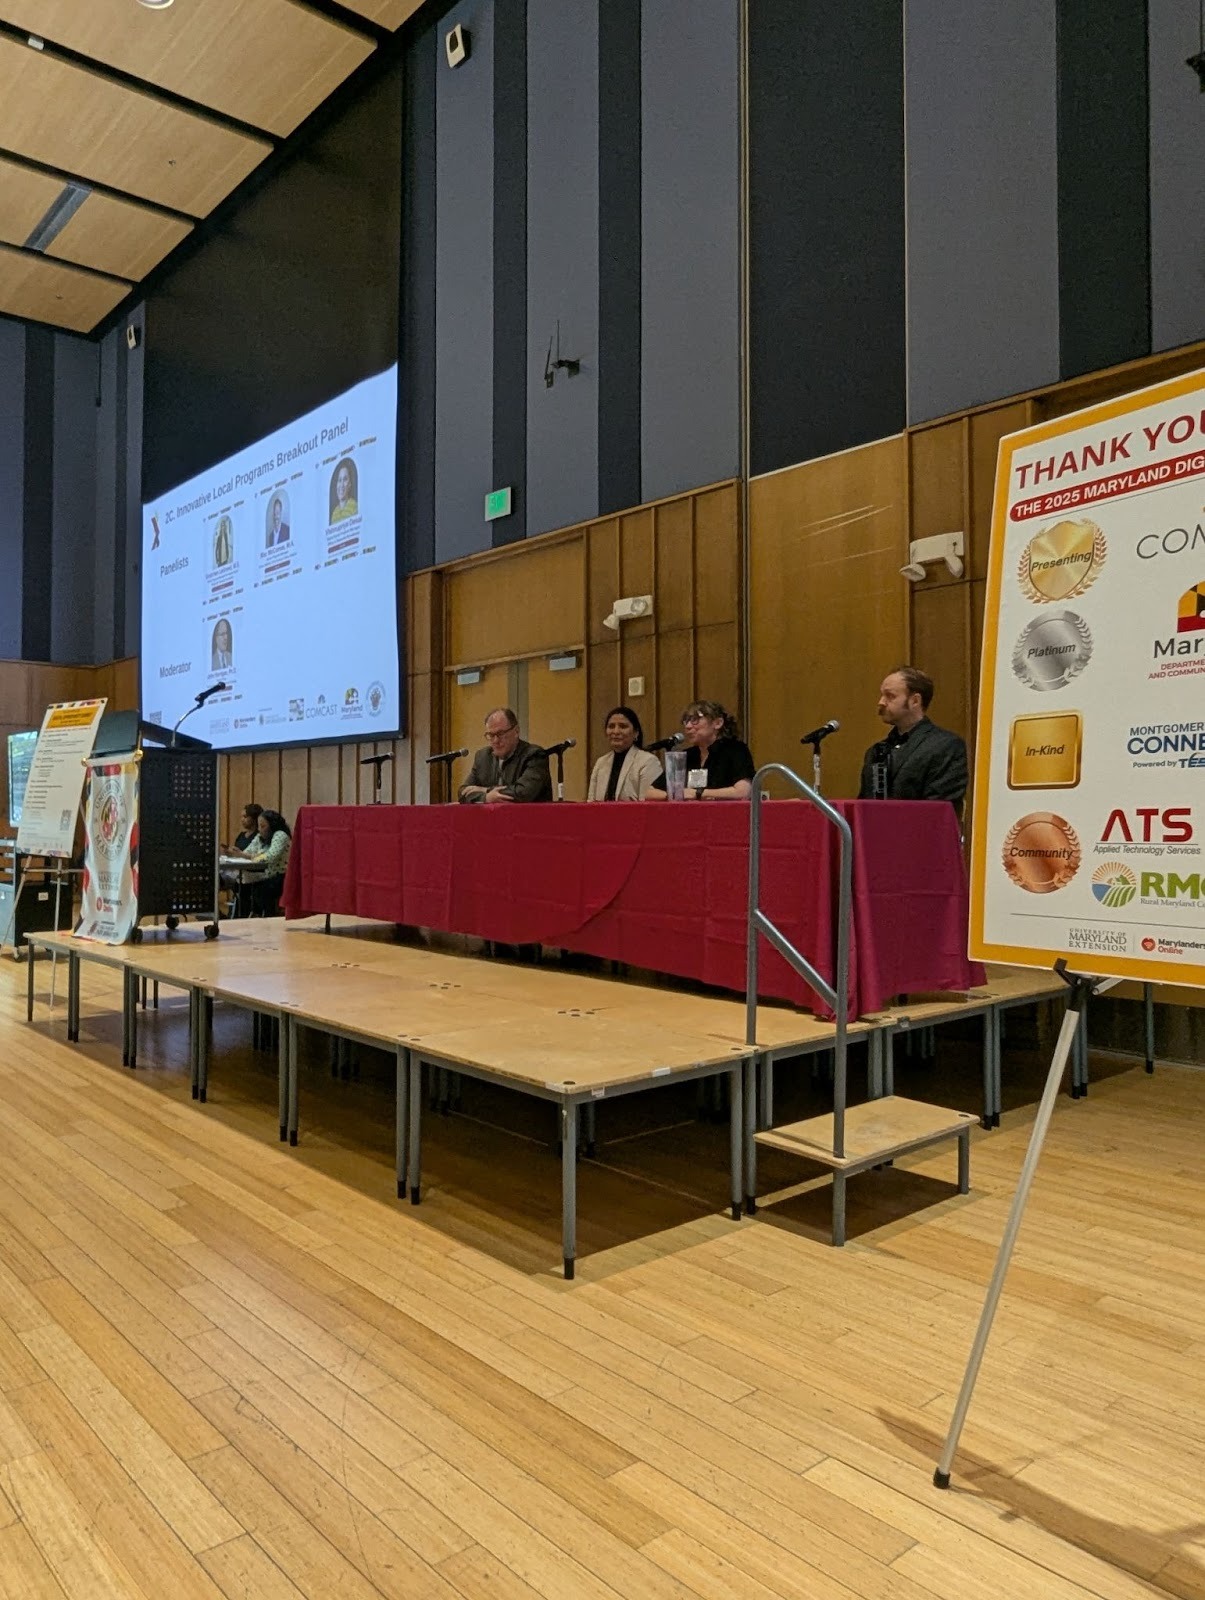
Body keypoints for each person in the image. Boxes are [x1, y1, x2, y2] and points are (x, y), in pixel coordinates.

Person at [857, 664, 968, 809]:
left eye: (890, 696)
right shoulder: (875, 752)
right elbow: (863, 805)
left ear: (915, 701)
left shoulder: (946, 746)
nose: (881, 702)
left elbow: (940, 809)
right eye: (882, 695)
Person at [647, 700, 755, 800]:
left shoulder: (736, 750)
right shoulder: (687, 755)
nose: (688, 726)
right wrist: (674, 795)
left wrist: (698, 793)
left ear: (717, 723)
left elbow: (743, 791)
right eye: (686, 721)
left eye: (695, 720)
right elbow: (649, 792)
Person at [458, 708, 552, 803]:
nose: (495, 741)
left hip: (528, 816)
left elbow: (523, 793)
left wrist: (486, 790)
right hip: (490, 817)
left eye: (500, 734)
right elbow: (463, 792)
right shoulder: (483, 757)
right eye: (490, 735)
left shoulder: (535, 755)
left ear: (516, 731)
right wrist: (486, 798)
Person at [586, 706, 662, 801]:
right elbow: (591, 802)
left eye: (623, 726)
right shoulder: (601, 762)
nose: (616, 731)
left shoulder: (648, 761)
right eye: (611, 726)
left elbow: (647, 803)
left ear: (636, 733)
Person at [241, 808, 292, 915]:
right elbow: (248, 852)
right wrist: (238, 854)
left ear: (272, 825)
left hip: (281, 875)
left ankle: (268, 915)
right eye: (259, 826)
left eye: (263, 826)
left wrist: (254, 857)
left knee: (261, 890)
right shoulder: (261, 836)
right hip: (266, 874)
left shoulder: (280, 835)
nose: (259, 829)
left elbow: (272, 856)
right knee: (243, 886)